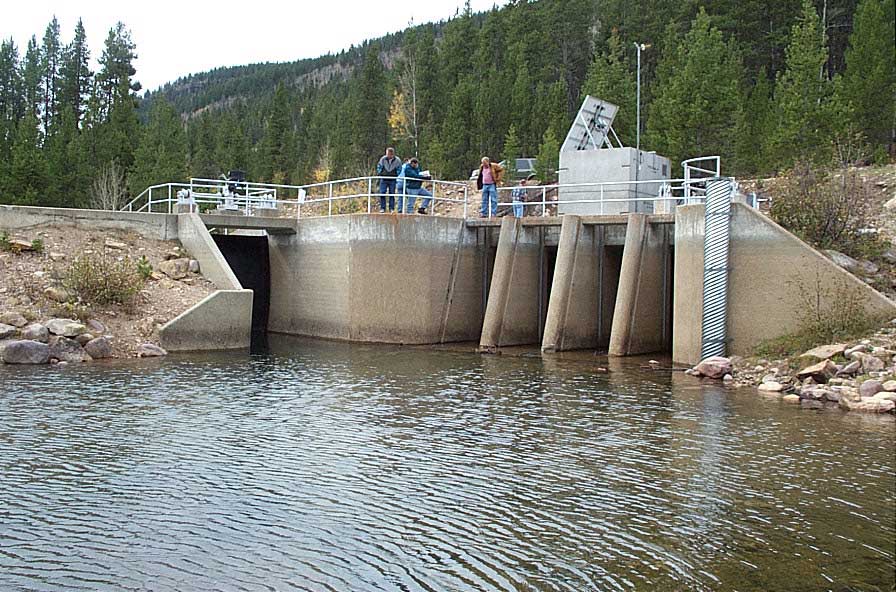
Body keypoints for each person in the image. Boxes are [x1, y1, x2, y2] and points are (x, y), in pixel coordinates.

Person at [375, 147, 402, 213]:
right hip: (384, 179)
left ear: (393, 154)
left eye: (390, 154)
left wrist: (396, 175)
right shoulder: (383, 159)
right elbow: (379, 166)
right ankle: (382, 208)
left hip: (392, 179)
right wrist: (380, 173)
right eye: (387, 154)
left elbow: (399, 168)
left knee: (392, 194)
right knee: (382, 193)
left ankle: (391, 208)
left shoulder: (397, 160)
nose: (388, 156)